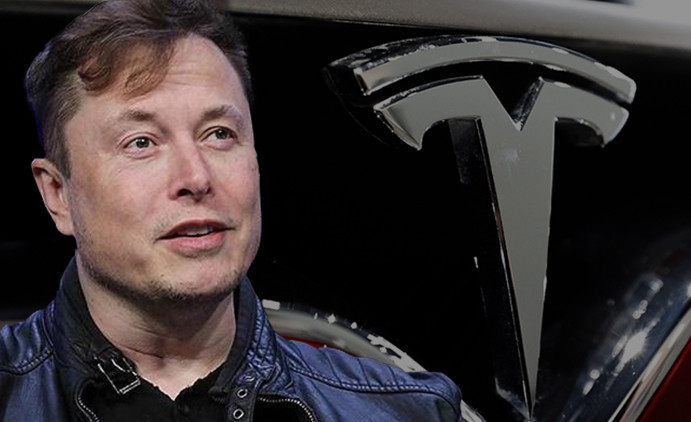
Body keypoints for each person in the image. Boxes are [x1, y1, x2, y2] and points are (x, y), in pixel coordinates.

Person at [0, 0, 462, 420]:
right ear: (57, 194)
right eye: (141, 143)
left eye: (219, 134)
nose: (196, 177)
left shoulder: (408, 412)